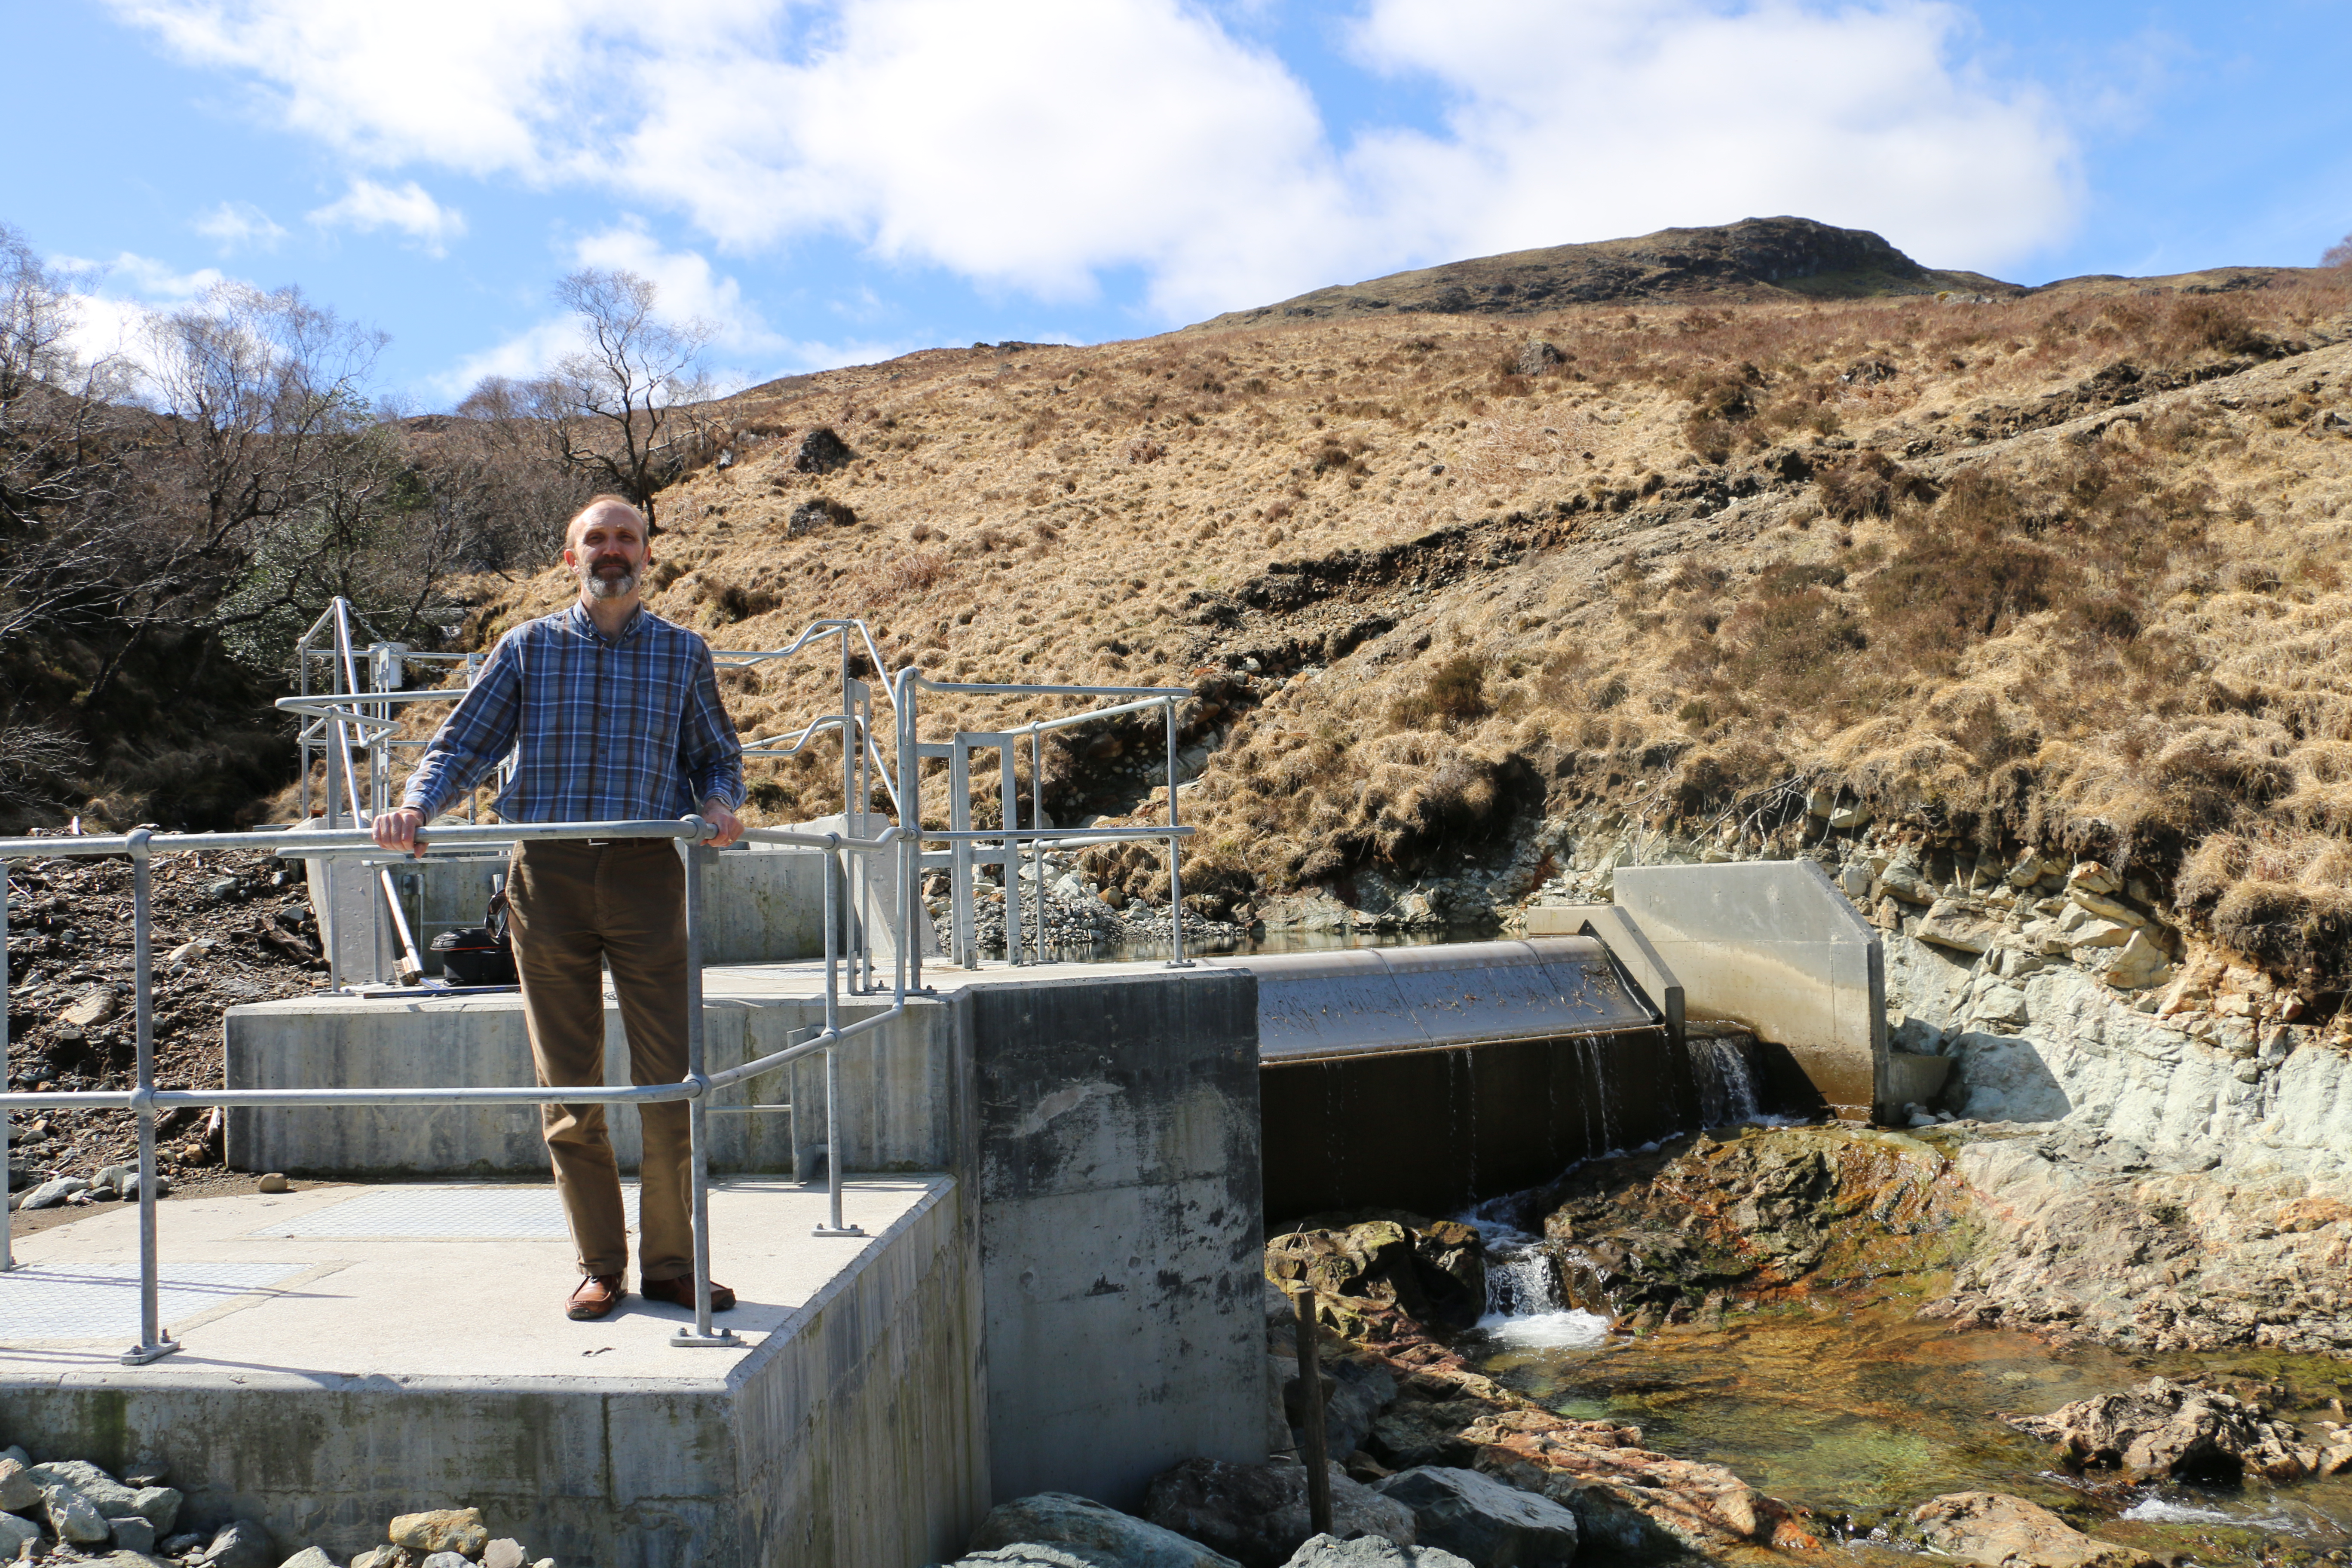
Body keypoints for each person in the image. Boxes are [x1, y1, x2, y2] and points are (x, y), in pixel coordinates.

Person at [371, 495, 746, 1322]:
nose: (613, 549)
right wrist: (416, 808)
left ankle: (673, 1266)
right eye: (596, 539)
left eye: (627, 537)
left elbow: (716, 756)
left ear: (647, 554)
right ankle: (600, 1266)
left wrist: (721, 805)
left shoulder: (683, 653)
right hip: (547, 878)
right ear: (571, 557)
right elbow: (463, 745)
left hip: (648, 875)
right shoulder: (527, 648)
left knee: (671, 1082)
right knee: (570, 1089)